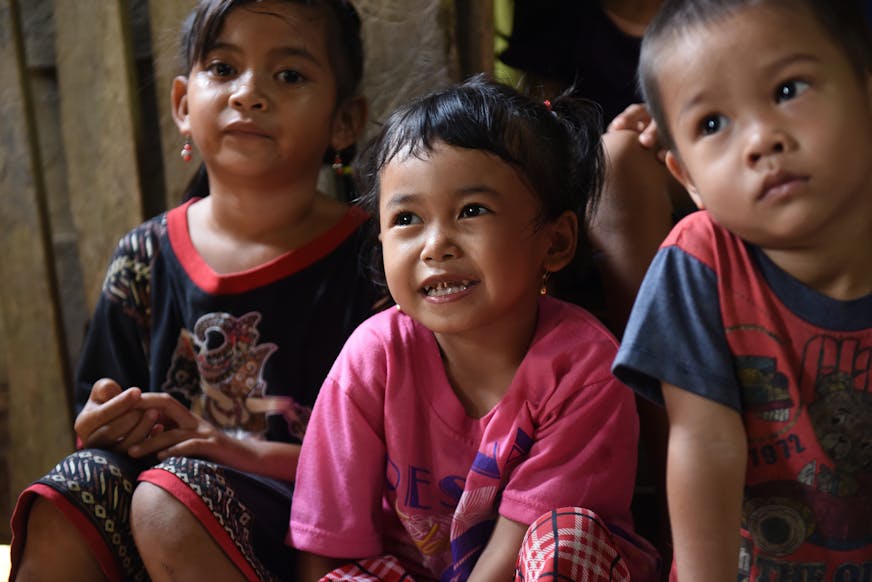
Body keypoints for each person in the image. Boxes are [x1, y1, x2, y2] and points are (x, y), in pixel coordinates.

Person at [8, 1, 374, 580]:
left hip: (316, 534)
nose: (249, 94)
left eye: (289, 75)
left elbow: (398, 460)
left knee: (169, 501)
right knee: (75, 491)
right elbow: (94, 430)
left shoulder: (377, 262)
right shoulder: (144, 258)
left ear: (344, 121)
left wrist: (220, 451)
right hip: (157, 519)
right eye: (224, 69)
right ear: (183, 104)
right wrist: (106, 417)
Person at [288, 74, 661, 582]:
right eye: (406, 220)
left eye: (471, 211)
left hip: (534, 571)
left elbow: (508, 561)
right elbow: (327, 546)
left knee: (562, 541)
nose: (435, 245)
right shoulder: (372, 357)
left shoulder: (584, 368)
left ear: (555, 243)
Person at [612, 0, 872, 579]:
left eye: (788, 90)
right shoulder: (700, 263)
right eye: (712, 124)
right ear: (687, 178)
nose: (761, 139)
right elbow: (705, 448)